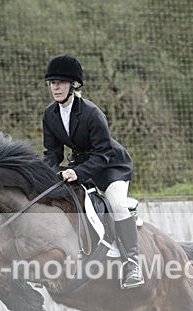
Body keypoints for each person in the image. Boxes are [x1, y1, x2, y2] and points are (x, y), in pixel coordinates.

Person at [41, 54, 144, 289]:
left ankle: (132, 263)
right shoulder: (50, 114)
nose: (55, 87)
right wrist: (45, 175)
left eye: (60, 83)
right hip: (80, 165)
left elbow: (103, 153)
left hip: (111, 166)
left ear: (73, 85)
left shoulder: (91, 113)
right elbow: (52, 153)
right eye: (52, 83)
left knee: (116, 204)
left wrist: (77, 173)